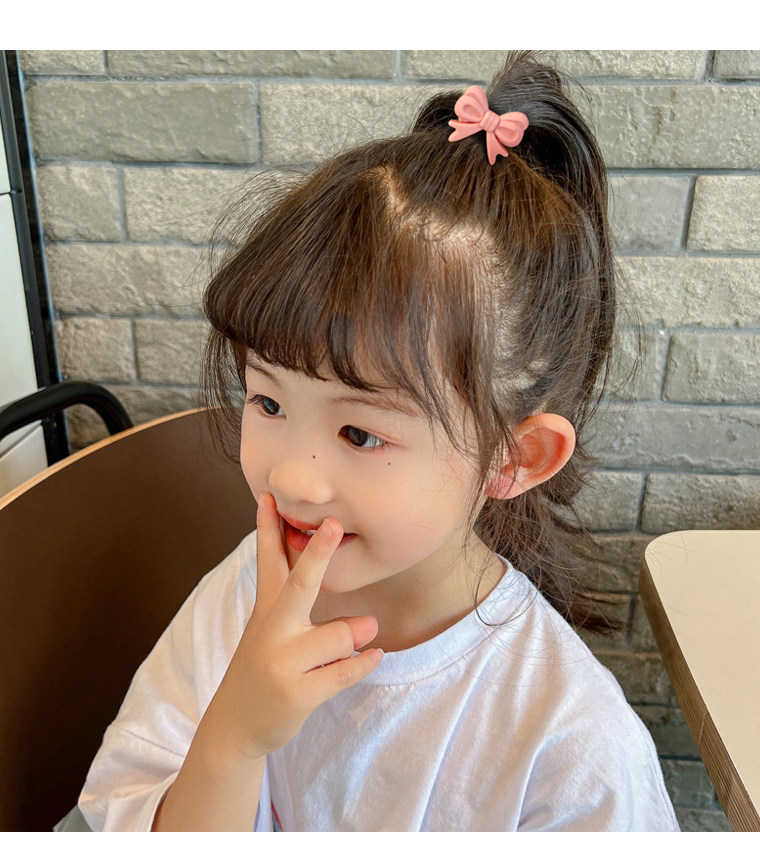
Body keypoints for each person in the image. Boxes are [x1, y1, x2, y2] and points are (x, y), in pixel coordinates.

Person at [78, 52, 679, 832]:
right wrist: (234, 738)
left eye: (360, 432)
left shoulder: (572, 746)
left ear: (514, 456)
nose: (291, 476)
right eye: (268, 399)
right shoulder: (248, 591)